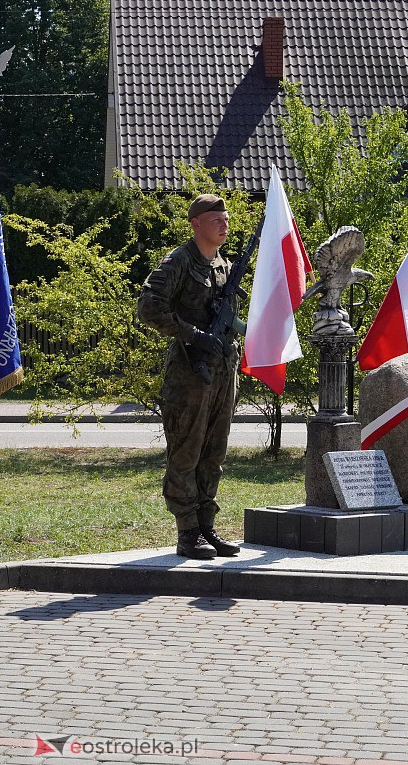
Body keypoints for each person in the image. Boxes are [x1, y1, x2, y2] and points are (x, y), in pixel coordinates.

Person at [137, 194, 243, 560]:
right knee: (186, 452)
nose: (224, 224)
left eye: (225, 218)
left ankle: (207, 526)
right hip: (189, 374)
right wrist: (195, 335)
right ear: (196, 223)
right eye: (216, 219)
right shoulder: (179, 262)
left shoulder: (225, 266)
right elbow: (149, 307)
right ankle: (187, 531)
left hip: (221, 372)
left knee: (214, 453)